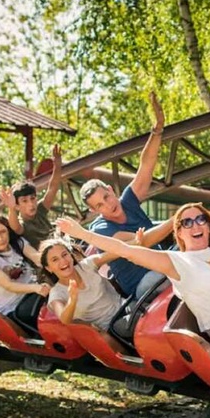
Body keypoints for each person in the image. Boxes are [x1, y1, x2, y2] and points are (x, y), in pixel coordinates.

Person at [56, 203, 210, 362]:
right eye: (187, 222)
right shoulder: (177, 261)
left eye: (200, 219)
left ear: (209, 226)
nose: (195, 225)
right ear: (179, 233)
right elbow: (125, 250)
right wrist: (83, 234)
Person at [79, 92, 174, 300]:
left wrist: (157, 129)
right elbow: (144, 241)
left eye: (106, 197)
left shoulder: (128, 201)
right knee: (170, 272)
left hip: (163, 264)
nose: (108, 204)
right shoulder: (101, 230)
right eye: (100, 205)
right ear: (95, 211)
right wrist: (175, 220)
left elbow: (146, 166)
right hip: (144, 284)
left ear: (112, 191)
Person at [0, 213, 49, 329]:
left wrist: (52, 259)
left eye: (3, 232)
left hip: (32, 293)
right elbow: (8, 285)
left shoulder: (18, 243)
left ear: (8, 231)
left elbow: (36, 257)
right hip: (12, 307)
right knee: (50, 297)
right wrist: (36, 288)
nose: (0, 238)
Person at [39, 238, 122, 331]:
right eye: (55, 260)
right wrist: (72, 299)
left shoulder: (87, 265)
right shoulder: (56, 293)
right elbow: (64, 319)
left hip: (124, 306)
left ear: (71, 255)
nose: (63, 261)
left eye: (64, 255)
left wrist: (137, 241)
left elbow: (118, 251)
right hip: (111, 326)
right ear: (48, 268)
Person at [0, 144, 63, 248]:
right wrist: (11, 208)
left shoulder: (40, 210)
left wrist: (57, 165)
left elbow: (53, 188)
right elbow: (15, 227)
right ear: (17, 205)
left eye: (33, 198)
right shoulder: (22, 224)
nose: (31, 204)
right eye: (24, 201)